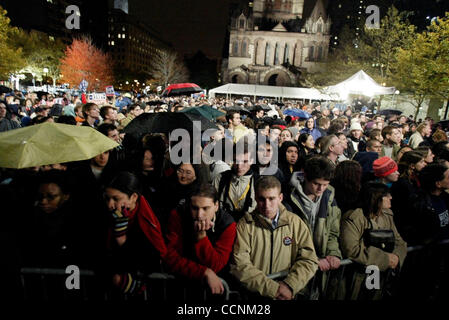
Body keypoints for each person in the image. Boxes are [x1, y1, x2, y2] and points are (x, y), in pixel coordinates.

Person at [230, 176, 318, 300]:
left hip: (287, 295)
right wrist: (273, 289)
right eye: (262, 199)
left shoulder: (295, 223)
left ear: (280, 198)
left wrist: (290, 285)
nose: (267, 205)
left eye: (271, 199)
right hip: (255, 297)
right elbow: (240, 265)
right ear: (255, 198)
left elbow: (309, 259)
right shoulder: (245, 225)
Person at [285, 156, 342, 298]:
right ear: (305, 176)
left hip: (320, 269)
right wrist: (311, 259)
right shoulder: (288, 198)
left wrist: (333, 252)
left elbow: (332, 231)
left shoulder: (329, 197)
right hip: (294, 267)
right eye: (316, 184)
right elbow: (286, 239)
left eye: (325, 184)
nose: (320, 189)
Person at [164, 183, 236, 295]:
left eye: (205, 208)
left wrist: (201, 238)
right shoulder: (177, 215)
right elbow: (170, 257)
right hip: (181, 283)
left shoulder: (227, 224)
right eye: (195, 208)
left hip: (214, 288)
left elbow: (216, 265)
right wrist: (203, 272)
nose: (199, 215)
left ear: (216, 206)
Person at [340, 182, 407, 300]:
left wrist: (396, 257)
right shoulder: (354, 218)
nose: (391, 197)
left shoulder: (387, 216)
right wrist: (386, 259)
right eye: (387, 195)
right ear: (376, 198)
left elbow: (400, 242)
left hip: (381, 275)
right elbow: (351, 249)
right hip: (358, 276)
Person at [104, 171, 167, 296]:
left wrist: (122, 239)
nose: (110, 205)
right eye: (107, 198)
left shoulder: (150, 218)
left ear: (133, 197)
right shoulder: (104, 216)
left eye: (116, 199)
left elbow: (152, 260)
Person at [213, 141, 257, 222]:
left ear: (252, 160)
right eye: (235, 160)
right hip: (224, 225)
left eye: (244, 161)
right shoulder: (220, 179)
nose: (239, 166)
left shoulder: (258, 182)